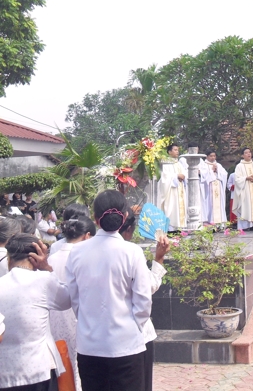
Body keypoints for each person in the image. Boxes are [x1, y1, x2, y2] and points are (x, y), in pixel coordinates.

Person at [66, 190, 152, 391]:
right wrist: (132, 326)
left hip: (90, 345)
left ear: (95, 219)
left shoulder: (77, 252)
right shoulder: (132, 252)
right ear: (124, 218)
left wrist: (89, 321)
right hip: (126, 343)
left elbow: (75, 298)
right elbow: (143, 301)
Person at [0, 234, 71, 390]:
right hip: (39, 370)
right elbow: (66, 300)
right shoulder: (43, 280)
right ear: (38, 257)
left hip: (5, 373)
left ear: (9, 259)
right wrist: (47, 268)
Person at [119, 207, 170, 391]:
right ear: (130, 230)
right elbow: (147, 288)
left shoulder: (83, 251)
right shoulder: (132, 252)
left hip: (97, 339)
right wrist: (159, 257)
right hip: (134, 335)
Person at [49, 216, 97, 391]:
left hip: (54, 321)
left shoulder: (51, 258)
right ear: (87, 236)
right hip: (80, 319)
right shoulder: (85, 258)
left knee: (62, 369)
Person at [158, 143, 187, 230]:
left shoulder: (178, 163)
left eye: (178, 150)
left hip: (180, 189)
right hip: (172, 190)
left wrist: (184, 176)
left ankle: (180, 227)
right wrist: (177, 176)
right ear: (169, 152)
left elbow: (184, 174)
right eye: (175, 150)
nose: (177, 152)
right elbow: (165, 178)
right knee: (172, 207)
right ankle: (171, 227)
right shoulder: (166, 163)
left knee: (180, 208)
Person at [233, 148, 253, 231]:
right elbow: (237, 179)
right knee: (245, 206)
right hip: (245, 190)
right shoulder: (239, 166)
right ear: (242, 155)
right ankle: (245, 226)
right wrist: (246, 178)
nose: (248, 154)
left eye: (249, 152)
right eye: (246, 153)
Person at [199, 149, 228, 225]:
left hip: (218, 186)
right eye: (211, 156)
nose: (213, 158)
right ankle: (209, 222)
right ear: (207, 157)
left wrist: (217, 171)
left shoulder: (218, 165)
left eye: (214, 156)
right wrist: (211, 171)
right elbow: (202, 176)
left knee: (219, 205)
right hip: (209, 188)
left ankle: (220, 223)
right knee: (210, 205)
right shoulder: (203, 165)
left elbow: (225, 174)